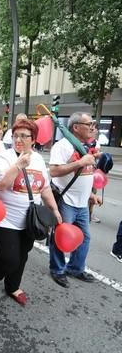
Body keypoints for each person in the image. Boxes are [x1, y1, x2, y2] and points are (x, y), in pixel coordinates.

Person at [0, 119, 61, 306]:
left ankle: (13, 286)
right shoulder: (4, 157)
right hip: (4, 219)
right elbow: (0, 185)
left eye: (24, 136)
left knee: (23, 255)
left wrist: (55, 210)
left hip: (30, 220)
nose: (19, 139)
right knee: (8, 257)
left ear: (33, 139)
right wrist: (18, 165)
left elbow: (45, 188)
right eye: (16, 135)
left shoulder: (39, 159)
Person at [49, 112, 101, 288]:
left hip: (82, 203)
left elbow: (87, 174)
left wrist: (90, 194)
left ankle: (76, 268)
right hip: (66, 201)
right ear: (76, 127)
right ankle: (57, 270)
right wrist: (79, 162)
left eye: (93, 123)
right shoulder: (63, 145)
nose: (93, 127)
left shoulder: (88, 146)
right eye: (89, 124)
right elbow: (54, 172)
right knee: (60, 237)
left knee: (84, 238)